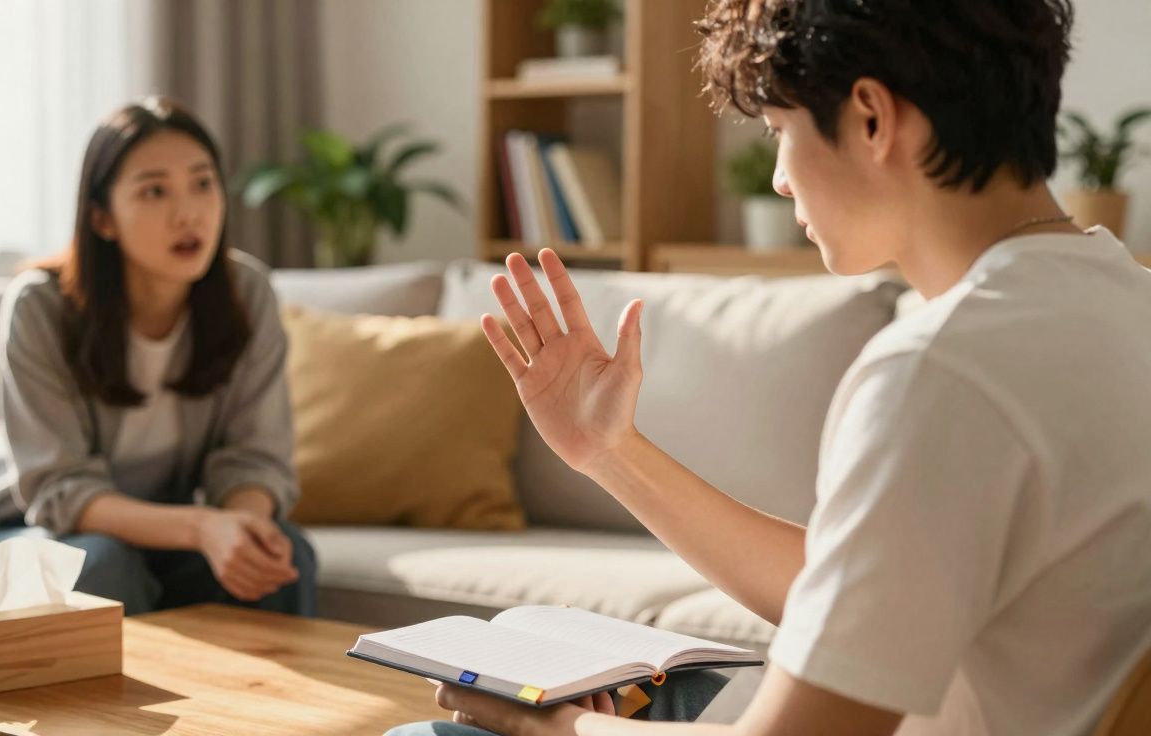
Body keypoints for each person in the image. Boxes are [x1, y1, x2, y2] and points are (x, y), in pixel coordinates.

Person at [390, 0, 1151, 733]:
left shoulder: (940, 373)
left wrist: (555, 733)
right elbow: (869, 589)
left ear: (872, 118)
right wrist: (609, 453)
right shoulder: (1125, 304)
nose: (781, 179)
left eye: (781, 128)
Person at [0, 97, 316, 617]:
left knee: (283, 554)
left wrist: (241, 529)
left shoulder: (246, 293)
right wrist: (203, 526)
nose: (189, 213)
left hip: (153, 534)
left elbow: (256, 457)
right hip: (10, 533)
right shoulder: (41, 306)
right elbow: (57, 490)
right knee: (101, 566)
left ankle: (271, 702)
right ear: (102, 218)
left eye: (203, 184)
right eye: (154, 191)